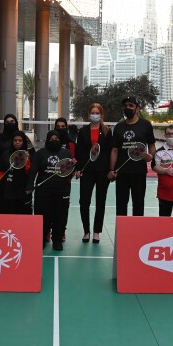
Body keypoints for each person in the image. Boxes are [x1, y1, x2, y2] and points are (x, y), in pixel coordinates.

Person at [108, 97, 156, 216]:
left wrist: (151, 155)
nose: (128, 108)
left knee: (138, 205)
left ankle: (138, 233)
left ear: (137, 108)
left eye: (131, 105)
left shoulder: (146, 125)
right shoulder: (119, 127)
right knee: (121, 206)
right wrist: (111, 170)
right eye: (125, 106)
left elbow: (152, 146)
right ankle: (121, 234)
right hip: (122, 173)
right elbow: (114, 150)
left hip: (138, 172)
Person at [27, 130, 73, 250]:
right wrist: (30, 185)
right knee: (43, 215)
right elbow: (33, 170)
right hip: (43, 190)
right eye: (51, 139)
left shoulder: (66, 153)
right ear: (47, 140)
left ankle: (57, 240)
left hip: (62, 190)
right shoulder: (40, 153)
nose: (54, 140)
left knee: (60, 215)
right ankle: (41, 238)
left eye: (56, 138)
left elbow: (70, 169)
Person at [75, 103, 112, 243]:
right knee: (84, 201)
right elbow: (79, 152)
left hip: (103, 171)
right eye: (93, 112)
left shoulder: (108, 131)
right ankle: (86, 231)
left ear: (101, 115)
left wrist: (110, 170)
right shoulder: (83, 131)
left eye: (97, 112)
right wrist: (78, 169)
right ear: (89, 114)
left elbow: (110, 151)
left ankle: (97, 231)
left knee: (100, 201)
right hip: (87, 171)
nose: (95, 115)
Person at [0, 114, 34, 213]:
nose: (17, 142)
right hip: (4, 180)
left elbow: (33, 156)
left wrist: (28, 158)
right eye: (7, 122)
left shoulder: (25, 138)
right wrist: (2, 170)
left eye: (12, 121)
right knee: (5, 209)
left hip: (21, 181)